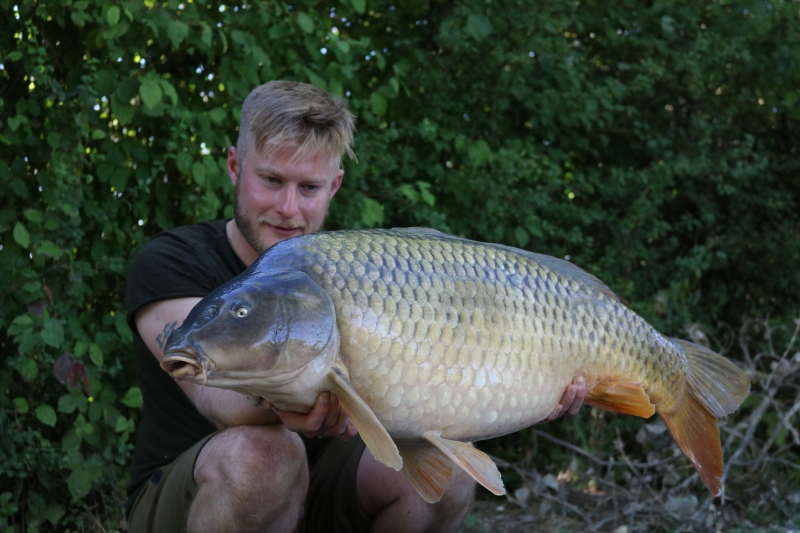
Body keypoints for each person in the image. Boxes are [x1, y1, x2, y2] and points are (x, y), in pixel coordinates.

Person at [124, 80, 587, 533]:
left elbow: (444, 380)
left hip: (320, 487)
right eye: (271, 180)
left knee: (448, 476)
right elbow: (215, 395)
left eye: (308, 187)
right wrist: (283, 406)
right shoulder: (171, 261)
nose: (288, 208)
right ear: (233, 166)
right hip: (195, 496)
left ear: (335, 186)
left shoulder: (359, 273)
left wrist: (539, 384)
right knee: (265, 458)